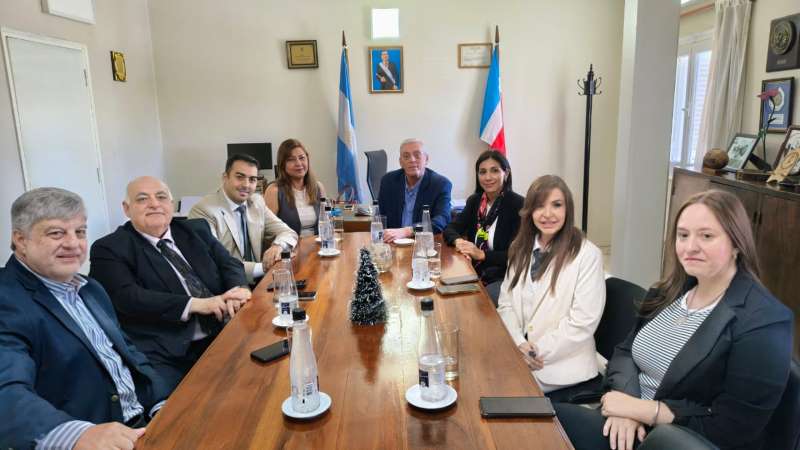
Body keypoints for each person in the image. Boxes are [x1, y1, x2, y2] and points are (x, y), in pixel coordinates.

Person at [555, 190, 793, 450]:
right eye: (683, 235)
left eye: (706, 236)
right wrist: (625, 402)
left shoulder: (765, 321)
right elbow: (625, 352)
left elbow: (733, 426)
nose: (690, 247)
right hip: (624, 422)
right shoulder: (669, 292)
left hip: (675, 439)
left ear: (737, 243)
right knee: (536, 420)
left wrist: (644, 411)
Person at [0, 188, 169, 450]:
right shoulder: (6, 298)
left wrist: (161, 403)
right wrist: (76, 435)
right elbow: (7, 391)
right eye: (56, 233)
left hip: (143, 424)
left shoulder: (90, 288)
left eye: (79, 232)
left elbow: (129, 354)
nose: (73, 244)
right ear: (21, 240)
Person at [90, 176, 251, 391]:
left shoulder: (195, 229)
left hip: (224, 331)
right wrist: (196, 304)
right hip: (166, 351)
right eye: (142, 199)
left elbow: (229, 263)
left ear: (171, 205)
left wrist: (239, 289)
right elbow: (127, 297)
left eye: (161, 197)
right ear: (127, 209)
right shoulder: (109, 248)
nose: (154, 204)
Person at [496, 175, 606, 399]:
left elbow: (582, 323)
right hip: (521, 353)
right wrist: (519, 344)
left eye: (556, 205)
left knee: (497, 390)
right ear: (529, 211)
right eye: (539, 206)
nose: (547, 214)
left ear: (568, 209)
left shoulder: (588, 255)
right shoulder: (520, 247)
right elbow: (506, 305)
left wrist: (533, 352)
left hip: (561, 365)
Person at [189, 153, 298, 283]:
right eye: (240, 177)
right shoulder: (204, 210)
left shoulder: (256, 202)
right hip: (227, 286)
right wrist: (262, 267)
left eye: (252, 179)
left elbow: (288, 232)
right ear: (225, 177)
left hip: (259, 282)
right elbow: (213, 262)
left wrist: (277, 246)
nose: (246, 185)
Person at [443, 150, 523, 303]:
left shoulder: (518, 205)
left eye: (494, 171)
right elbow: (450, 229)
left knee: (477, 302)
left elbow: (517, 256)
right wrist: (459, 242)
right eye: (482, 172)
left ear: (506, 173)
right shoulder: (475, 201)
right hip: (473, 270)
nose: (488, 177)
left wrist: (481, 254)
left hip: (503, 276)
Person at [378, 138, 452, 242]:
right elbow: (380, 217)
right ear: (401, 162)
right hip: (392, 243)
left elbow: (442, 220)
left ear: (426, 159)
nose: (412, 160)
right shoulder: (388, 181)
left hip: (422, 243)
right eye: (406, 156)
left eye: (417, 155)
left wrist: (408, 231)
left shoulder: (440, 184)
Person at [264, 139, 327, 237]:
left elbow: (326, 221)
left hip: (318, 244)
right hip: (289, 245)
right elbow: (267, 232)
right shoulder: (274, 190)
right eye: (291, 159)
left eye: (302, 158)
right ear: (282, 164)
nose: (298, 163)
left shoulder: (318, 187)